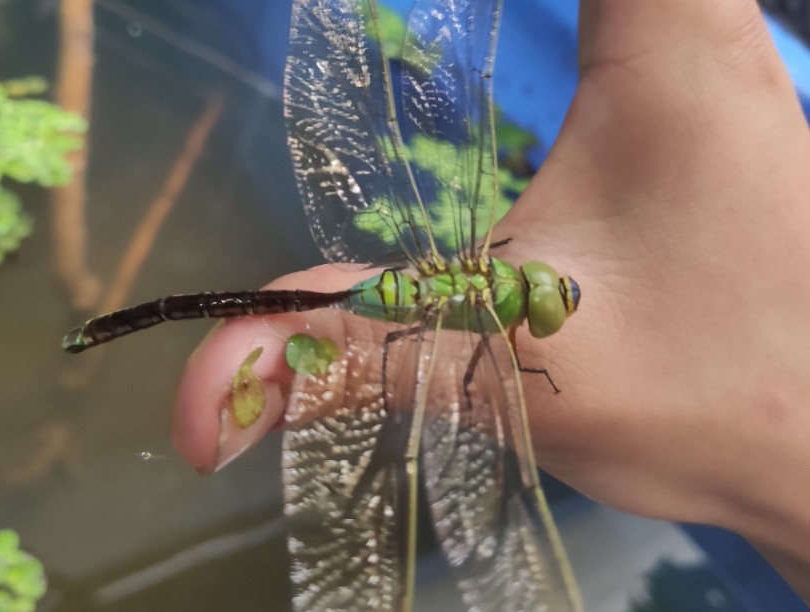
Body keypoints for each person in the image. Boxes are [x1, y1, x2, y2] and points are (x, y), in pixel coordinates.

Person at [172, 0, 810, 601]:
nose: (550, 291)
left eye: (546, 295)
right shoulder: (498, 344)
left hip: (400, 283)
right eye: (545, 292)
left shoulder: (484, 258)